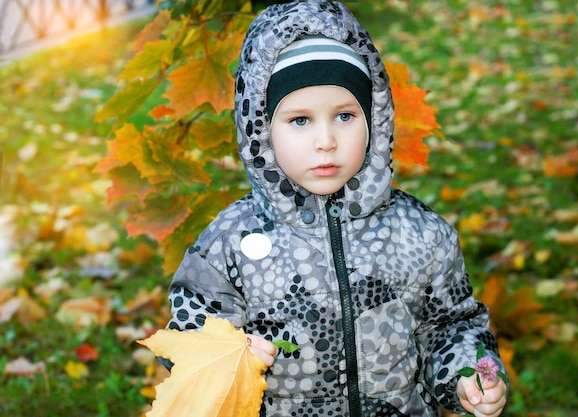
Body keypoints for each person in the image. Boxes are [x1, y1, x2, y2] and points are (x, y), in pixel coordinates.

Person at [162, 1, 508, 416]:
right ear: (261, 130)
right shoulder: (229, 243)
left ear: (375, 122)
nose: (325, 140)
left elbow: (451, 325)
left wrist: (465, 374)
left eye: (345, 116)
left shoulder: (420, 234)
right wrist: (225, 351)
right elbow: (188, 337)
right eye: (301, 121)